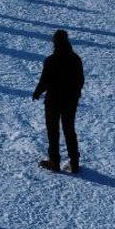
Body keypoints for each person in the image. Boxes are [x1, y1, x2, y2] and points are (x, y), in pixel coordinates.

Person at [32, 30, 85, 173]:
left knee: (53, 131)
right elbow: (80, 80)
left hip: (53, 101)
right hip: (70, 101)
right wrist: (75, 95)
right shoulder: (75, 59)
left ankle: (54, 161)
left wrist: (37, 92)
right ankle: (74, 163)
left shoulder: (51, 60)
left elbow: (44, 80)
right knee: (69, 130)